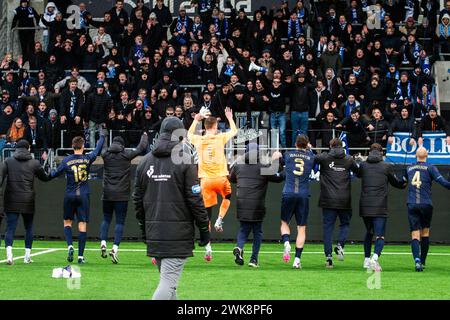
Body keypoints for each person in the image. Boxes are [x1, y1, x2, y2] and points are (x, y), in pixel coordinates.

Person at [133, 117, 210, 300]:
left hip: (155, 232)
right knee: (168, 283)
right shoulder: (185, 160)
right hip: (178, 234)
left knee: (169, 285)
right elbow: (195, 199)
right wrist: (204, 229)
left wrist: (145, 230)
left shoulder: (144, 162)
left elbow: (137, 201)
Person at [187, 107, 238, 261]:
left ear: (205, 127)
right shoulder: (220, 137)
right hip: (221, 179)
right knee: (227, 196)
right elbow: (234, 131)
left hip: (205, 181)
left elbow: (189, 134)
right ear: (215, 127)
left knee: (206, 215)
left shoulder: (199, 139)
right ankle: (220, 219)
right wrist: (229, 117)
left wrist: (196, 119)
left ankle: (208, 246)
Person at [51, 131, 106, 264]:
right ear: (83, 146)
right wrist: (102, 137)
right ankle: (80, 257)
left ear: (72, 146)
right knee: (82, 225)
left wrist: (42, 175)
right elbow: (97, 150)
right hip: (84, 195)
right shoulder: (87, 158)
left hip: (69, 195)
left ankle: (70, 245)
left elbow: (54, 174)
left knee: (67, 222)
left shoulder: (66, 160)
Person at [228, 142, 283, 268]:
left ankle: (239, 248)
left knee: (243, 229)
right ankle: (253, 259)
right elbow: (278, 177)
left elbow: (231, 179)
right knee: (257, 232)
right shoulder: (262, 167)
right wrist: (276, 161)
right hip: (257, 204)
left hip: (242, 203)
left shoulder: (238, 166)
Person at [356, 143, 406, 272]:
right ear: (382, 153)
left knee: (369, 232)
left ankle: (366, 260)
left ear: (369, 152)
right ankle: (374, 258)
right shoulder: (386, 166)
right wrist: (404, 180)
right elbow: (398, 184)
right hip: (379, 207)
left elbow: (358, 174)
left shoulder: (363, 165)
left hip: (365, 206)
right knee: (380, 236)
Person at [99, 132, 148, 263]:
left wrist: (103, 135)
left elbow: (102, 147)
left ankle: (103, 242)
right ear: (122, 145)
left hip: (107, 193)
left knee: (106, 219)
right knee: (120, 222)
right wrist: (144, 134)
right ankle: (114, 248)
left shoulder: (105, 154)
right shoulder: (126, 154)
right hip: (122, 194)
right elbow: (141, 148)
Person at [2, 140, 51, 265]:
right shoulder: (34, 163)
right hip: (28, 200)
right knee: (28, 227)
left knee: (10, 228)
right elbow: (45, 178)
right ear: (28, 148)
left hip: (11, 199)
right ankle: (27, 257)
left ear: (16, 149)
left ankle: (9, 256)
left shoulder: (8, 161)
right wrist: (56, 172)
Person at [315, 138, 359, 268]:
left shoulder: (324, 158)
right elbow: (358, 172)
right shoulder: (349, 159)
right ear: (342, 146)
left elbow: (311, 158)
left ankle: (328, 257)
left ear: (330, 146)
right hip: (345, 199)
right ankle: (340, 245)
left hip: (328, 200)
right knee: (345, 224)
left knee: (328, 228)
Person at [403, 147, 450, 271]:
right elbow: (443, 182)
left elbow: (401, 182)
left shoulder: (408, 167)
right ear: (427, 155)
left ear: (415, 155)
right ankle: (423, 261)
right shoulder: (431, 167)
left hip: (412, 203)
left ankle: (417, 260)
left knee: (414, 234)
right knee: (425, 232)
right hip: (426, 204)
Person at [279, 135, 316, 269]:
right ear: (307, 145)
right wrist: (310, 149)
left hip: (288, 192)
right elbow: (314, 159)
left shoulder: (288, 154)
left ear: (295, 144)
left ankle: (287, 242)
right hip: (303, 194)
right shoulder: (311, 157)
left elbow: (280, 162)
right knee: (301, 228)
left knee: (284, 222)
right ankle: (297, 260)